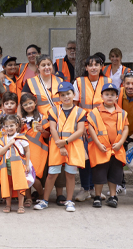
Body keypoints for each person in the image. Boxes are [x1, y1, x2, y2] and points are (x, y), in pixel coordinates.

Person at [35, 82, 85, 212]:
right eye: (62, 95)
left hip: (73, 146)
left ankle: (69, 201)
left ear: (73, 94)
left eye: (68, 93)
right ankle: (45, 200)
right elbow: (52, 128)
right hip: (57, 145)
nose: (66, 97)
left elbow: (80, 131)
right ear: (59, 97)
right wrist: (60, 144)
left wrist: (66, 142)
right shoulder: (54, 110)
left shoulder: (80, 111)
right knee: (52, 174)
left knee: (70, 174)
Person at [73, 55, 112, 201]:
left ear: (102, 66)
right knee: (85, 159)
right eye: (90, 65)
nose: (94, 67)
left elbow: (111, 103)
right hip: (84, 125)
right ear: (86, 68)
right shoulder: (79, 82)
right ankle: (85, 188)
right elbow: (75, 106)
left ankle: (97, 189)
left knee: (99, 158)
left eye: (97, 64)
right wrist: (79, 126)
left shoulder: (107, 81)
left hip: (102, 125)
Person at [86, 83, 128, 208]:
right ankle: (97, 196)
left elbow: (125, 129)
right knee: (99, 173)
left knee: (114, 174)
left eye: (112, 95)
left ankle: (113, 196)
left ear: (116, 97)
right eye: (107, 94)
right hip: (100, 149)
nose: (109, 97)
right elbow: (91, 128)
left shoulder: (122, 113)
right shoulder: (95, 112)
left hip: (116, 149)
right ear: (102, 96)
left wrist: (120, 143)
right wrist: (98, 144)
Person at [18, 92, 49, 202]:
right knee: (25, 174)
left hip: (37, 152)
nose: (28, 106)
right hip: (24, 151)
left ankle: (41, 195)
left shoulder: (42, 117)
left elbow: (46, 135)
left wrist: (42, 130)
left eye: (30, 103)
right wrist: (20, 126)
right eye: (25, 104)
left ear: (35, 103)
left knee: (34, 177)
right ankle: (29, 198)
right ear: (21, 106)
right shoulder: (20, 119)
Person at [0, 115, 31, 213]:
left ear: (16, 125)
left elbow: (27, 151)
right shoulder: (2, 139)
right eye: (7, 126)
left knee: (20, 185)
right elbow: (0, 152)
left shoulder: (21, 138)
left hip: (19, 165)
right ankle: (8, 205)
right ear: (4, 127)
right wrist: (9, 144)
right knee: (8, 185)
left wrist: (27, 164)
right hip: (6, 165)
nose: (9, 128)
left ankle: (20, 206)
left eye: (11, 126)